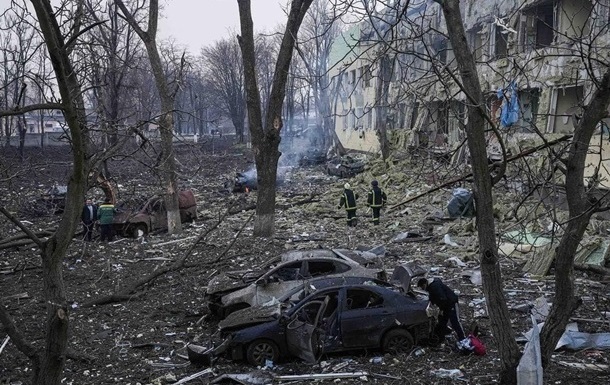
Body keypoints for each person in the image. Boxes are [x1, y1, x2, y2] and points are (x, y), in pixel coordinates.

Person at [417, 277, 466, 344]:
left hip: (451, 303)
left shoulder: (434, 287)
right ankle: (442, 336)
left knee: (455, 321)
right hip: (445, 305)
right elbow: (434, 298)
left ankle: (462, 338)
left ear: (425, 284)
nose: (423, 289)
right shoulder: (431, 286)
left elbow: (442, 298)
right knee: (442, 320)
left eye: (422, 287)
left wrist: (441, 309)